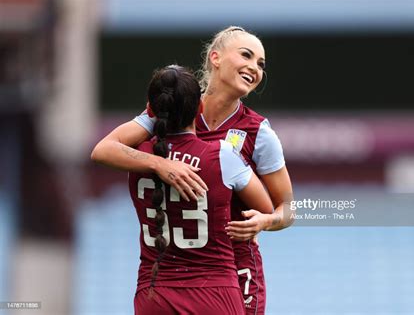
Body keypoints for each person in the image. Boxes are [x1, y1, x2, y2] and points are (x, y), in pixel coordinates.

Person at [91, 26, 294, 314]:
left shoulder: (259, 133)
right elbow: (103, 149)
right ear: (216, 57)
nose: (254, 68)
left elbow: (287, 209)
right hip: (173, 269)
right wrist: (161, 164)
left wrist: (266, 221)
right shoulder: (174, 107)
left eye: (261, 64)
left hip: (235, 267)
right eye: (246, 55)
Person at [130, 64, 273, 314]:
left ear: (150, 108)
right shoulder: (221, 155)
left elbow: (105, 149)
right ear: (200, 108)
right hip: (214, 294)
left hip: (154, 294)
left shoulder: (135, 154)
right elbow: (265, 208)